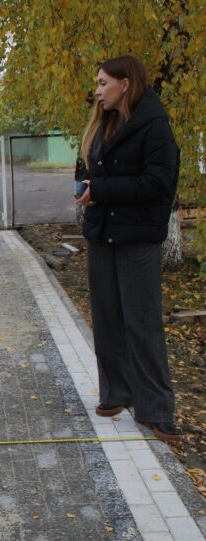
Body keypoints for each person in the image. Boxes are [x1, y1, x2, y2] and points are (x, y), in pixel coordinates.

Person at [75, 55, 180, 441]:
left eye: (103, 83)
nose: (98, 91)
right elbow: (89, 169)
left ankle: (156, 409)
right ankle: (116, 393)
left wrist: (100, 190)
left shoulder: (155, 126)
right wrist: (85, 182)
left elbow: (157, 181)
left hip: (137, 238)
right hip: (102, 234)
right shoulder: (105, 124)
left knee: (142, 323)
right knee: (107, 318)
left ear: (125, 83)